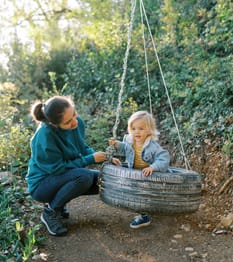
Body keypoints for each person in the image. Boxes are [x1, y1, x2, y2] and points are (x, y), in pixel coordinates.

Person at [26, 95, 110, 236]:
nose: (74, 122)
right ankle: (50, 212)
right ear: (54, 124)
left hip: (62, 177)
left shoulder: (77, 123)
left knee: (105, 180)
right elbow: (57, 169)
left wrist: (105, 158)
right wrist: (90, 159)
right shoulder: (44, 136)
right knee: (84, 177)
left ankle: (59, 204)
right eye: (68, 122)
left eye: (74, 114)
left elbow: (82, 148)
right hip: (42, 185)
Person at [109, 110, 170, 229]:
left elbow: (164, 158)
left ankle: (144, 216)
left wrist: (153, 167)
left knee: (142, 195)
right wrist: (117, 145)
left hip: (147, 175)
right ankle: (142, 211)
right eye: (133, 128)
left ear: (149, 130)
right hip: (135, 172)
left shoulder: (153, 145)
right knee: (133, 192)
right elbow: (124, 149)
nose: (136, 132)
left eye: (141, 129)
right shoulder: (129, 140)